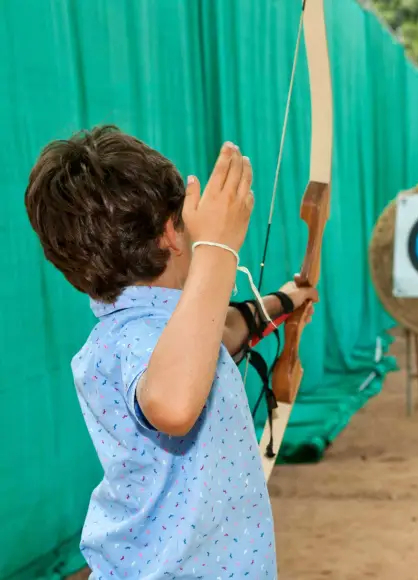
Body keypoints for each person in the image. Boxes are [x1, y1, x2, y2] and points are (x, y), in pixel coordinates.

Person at [24, 125, 318, 579]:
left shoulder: (164, 326)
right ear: (171, 234)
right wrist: (217, 249)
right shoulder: (134, 337)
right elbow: (173, 403)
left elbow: (219, 330)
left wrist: (284, 302)